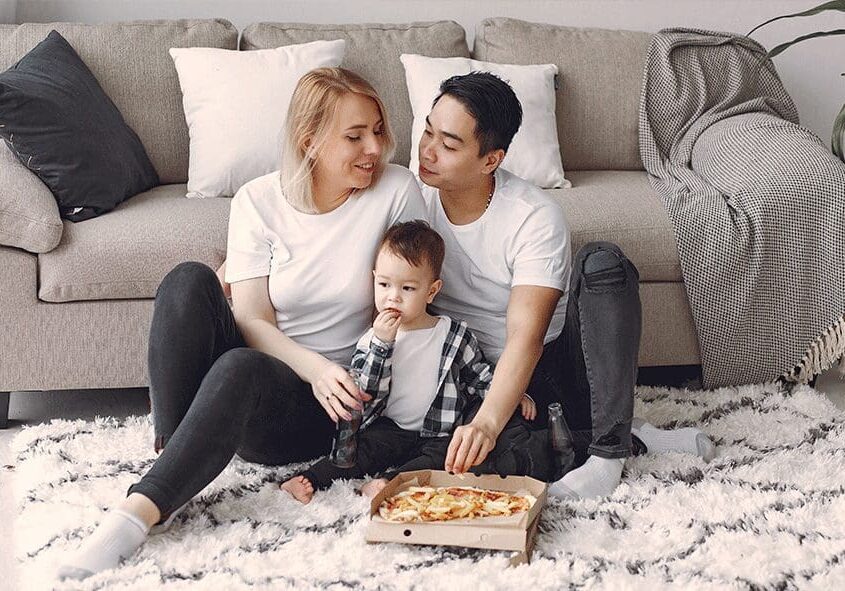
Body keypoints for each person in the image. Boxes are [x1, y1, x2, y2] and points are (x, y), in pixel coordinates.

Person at [57, 67, 427, 580]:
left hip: (325, 408)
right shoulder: (258, 200)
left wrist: (339, 377)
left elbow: (417, 293)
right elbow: (252, 318)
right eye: (355, 135)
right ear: (311, 141)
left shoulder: (395, 191)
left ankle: (137, 513)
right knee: (187, 280)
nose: (375, 147)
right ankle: (175, 451)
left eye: (378, 130)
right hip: (292, 367)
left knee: (239, 368)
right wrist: (314, 366)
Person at [415, 72, 714, 501]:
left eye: (448, 144)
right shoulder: (411, 200)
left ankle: (608, 456)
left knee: (602, 262)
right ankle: (628, 435)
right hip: (463, 372)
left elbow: (526, 336)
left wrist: (486, 420)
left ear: (490, 160)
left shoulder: (533, 215)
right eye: (427, 131)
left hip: (544, 371)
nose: (428, 151)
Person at [281, 220, 545, 503]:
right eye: (384, 284)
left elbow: (480, 377)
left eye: (407, 288)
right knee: (356, 450)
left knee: (444, 463)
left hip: (438, 432)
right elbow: (364, 393)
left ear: (431, 291)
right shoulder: (373, 340)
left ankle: (390, 485)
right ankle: (308, 479)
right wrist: (383, 344)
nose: (393, 296)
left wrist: (515, 395)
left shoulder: (453, 334)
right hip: (390, 427)